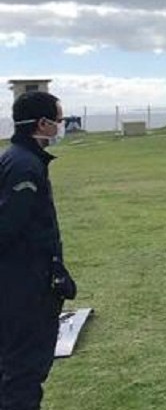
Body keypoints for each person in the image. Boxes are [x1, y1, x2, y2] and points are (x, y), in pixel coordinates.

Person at [1, 91, 77, 410]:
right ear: (42, 124)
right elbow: (8, 228)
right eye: (58, 121)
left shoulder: (14, 157)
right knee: (24, 371)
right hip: (23, 288)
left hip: (20, 282)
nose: (60, 127)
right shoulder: (25, 166)